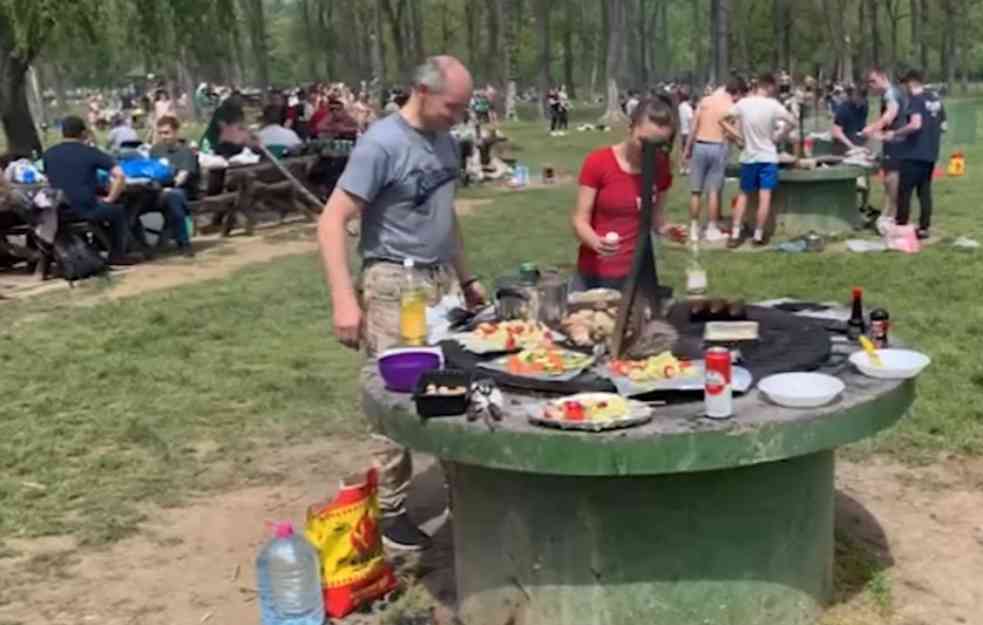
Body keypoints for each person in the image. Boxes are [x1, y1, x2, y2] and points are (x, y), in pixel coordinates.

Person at [317, 56, 486, 551]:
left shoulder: (445, 142)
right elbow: (331, 223)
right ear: (421, 91)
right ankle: (391, 511)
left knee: (458, 385)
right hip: (394, 281)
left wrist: (467, 277)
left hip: (441, 281)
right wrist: (344, 301)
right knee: (396, 398)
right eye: (452, 105)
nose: (458, 115)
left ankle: (467, 494)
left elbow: (445, 215)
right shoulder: (381, 144)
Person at [570, 98, 675, 291]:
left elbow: (656, 216)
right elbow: (579, 220)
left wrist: (666, 229)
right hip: (597, 271)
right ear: (630, 128)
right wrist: (595, 241)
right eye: (644, 142)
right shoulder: (598, 162)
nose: (649, 150)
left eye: (659, 144)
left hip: (639, 272)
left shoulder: (660, 166)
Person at [43, 116, 139, 265]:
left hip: (60, 210)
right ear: (83, 133)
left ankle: (97, 245)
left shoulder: (49, 154)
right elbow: (119, 175)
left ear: (62, 133)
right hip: (85, 208)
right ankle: (117, 254)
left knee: (104, 209)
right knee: (118, 211)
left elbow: (48, 181)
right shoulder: (89, 152)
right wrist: (110, 199)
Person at [720, 73, 797, 248]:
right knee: (765, 197)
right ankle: (758, 235)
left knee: (743, 195)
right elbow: (793, 121)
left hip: (749, 156)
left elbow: (722, 120)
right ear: (769, 86)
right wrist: (779, 136)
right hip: (768, 156)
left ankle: (735, 233)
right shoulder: (773, 105)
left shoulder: (743, 103)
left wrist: (738, 135)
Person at [683, 76, 747, 243]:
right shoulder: (732, 106)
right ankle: (712, 228)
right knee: (713, 191)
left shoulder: (705, 101)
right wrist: (743, 143)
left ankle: (694, 229)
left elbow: (694, 127)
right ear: (736, 92)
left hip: (699, 144)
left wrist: (686, 149)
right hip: (718, 147)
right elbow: (732, 132)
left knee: (695, 191)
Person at [891, 69, 945, 240]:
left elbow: (915, 125)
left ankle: (901, 226)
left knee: (905, 192)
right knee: (925, 192)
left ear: (911, 82)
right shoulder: (936, 100)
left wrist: (897, 133)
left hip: (913, 154)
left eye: (905, 84)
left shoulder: (915, 99)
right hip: (930, 153)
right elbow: (944, 126)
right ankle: (924, 228)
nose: (904, 88)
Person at [862, 67, 907, 232]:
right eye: (869, 82)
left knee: (892, 178)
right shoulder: (891, 93)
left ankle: (891, 216)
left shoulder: (890, 94)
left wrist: (873, 128)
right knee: (889, 178)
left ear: (883, 77)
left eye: (873, 81)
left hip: (896, 142)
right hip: (894, 141)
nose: (871, 85)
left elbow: (890, 114)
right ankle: (889, 213)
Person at [150, 115, 197, 256]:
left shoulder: (186, 152)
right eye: (160, 133)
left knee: (173, 197)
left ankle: (184, 243)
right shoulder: (155, 151)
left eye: (167, 133)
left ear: (176, 132)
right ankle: (138, 245)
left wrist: (170, 187)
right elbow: (151, 172)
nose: (163, 136)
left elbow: (182, 177)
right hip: (157, 190)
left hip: (182, 190)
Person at [831, 86, 869, 155]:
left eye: (863, 98)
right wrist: (853, 147)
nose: (860, 101)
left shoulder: (865, 105)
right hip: (843, 143)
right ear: (853, 95)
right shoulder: (843, 109)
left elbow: (863, 125)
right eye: (858, 98)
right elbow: (836, 132)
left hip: (857, 139)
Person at [677, 88, 694, 175]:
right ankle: (687, 168)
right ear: (688, 99)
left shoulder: (680, 107)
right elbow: (691, 121)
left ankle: (682, 168)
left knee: (682, 150)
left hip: (682, 131)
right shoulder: (688, 108)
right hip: (688, 132)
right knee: (689, 152)